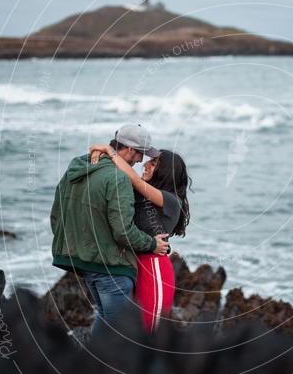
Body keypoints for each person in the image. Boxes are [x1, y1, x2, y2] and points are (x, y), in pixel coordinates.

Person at [50, 124, 169, 334]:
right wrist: (152, 244)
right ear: (130, 150)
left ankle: (90, 365)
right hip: (111, 268)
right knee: (120, 333)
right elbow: (123, 231)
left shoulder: (77, 167)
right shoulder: (118, 178)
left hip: (84, 263)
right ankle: (98, 366)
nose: (141, 161)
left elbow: (57, 216)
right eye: (141, 154)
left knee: (106, 321)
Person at [89, 141, 191, 333]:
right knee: (131, 330)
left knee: (150, 334)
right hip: (133, 267)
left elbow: (135, 180)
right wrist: (99, 154)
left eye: (153, 163)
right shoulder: (140, 195)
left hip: (155, 271)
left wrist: (109, 151)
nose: (145, 164)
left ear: (165, 172)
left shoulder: (171, 200)